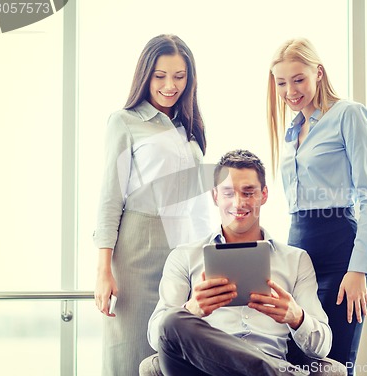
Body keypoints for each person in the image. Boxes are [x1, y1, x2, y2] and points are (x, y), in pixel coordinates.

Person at [141, 150, 347, 376]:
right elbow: (156, 336)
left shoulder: (296, 260)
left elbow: (323, 345)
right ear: (215, 196)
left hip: (271, 357)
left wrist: (297, 317)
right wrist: (192, 309)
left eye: (248, 193)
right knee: (172, 320)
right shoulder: (183, 257)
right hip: (202, 369)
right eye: (228, 193)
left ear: (264, 195)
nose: (238, 203)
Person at [93, 34, 211, 376]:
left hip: (184, 254)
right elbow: (109, 197)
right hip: (137, 253)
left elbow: (199, 201)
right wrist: (103, 270)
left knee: (174, 356)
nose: (170, 85)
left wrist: (208, 259)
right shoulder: (124, 121)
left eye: (179, 76)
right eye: (160, 76)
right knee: (130, 352)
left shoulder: (188, 127)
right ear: (145, 75)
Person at [267, 38, 367, 375]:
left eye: (299, 79)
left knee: (332, 363)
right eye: (281, 82)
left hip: (339, 252)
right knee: (296, 362)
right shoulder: (294, 130)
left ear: (318, 73)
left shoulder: (349, 114)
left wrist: (358, 268)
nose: (290, 90)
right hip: (298, 254)